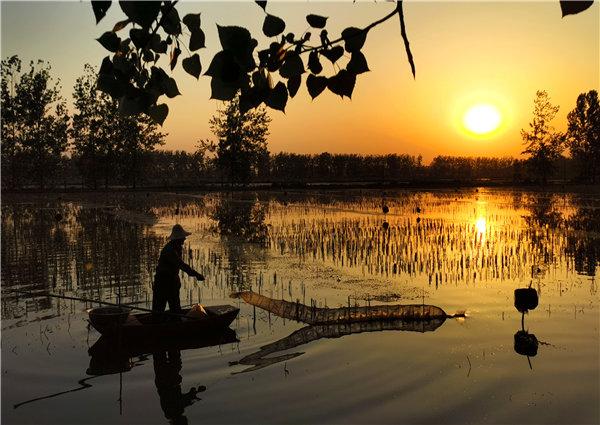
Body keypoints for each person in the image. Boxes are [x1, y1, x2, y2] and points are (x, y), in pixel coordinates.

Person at [153, 224, 204, 314]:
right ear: (178, 239)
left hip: (172, 282)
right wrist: (196, 274)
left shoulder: (176, 248)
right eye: (183, 237)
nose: (184, 239)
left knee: (175, 310)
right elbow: (181, 265)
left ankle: (174, 321)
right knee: (159, 311)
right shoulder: (169, 250)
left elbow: (179, 265)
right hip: (163, 283)